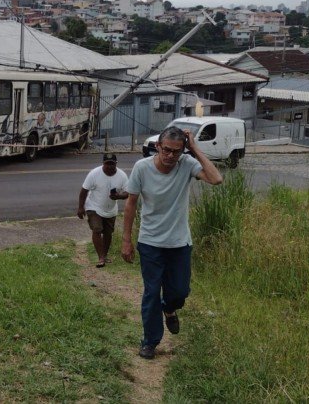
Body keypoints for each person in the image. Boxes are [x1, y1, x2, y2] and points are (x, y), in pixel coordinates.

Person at [122, 126, 222, 360]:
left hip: (179, 243)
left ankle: (170, 308)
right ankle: (150, 341)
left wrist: (195, 149)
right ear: (158, 146)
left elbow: (216, 179)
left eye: (176, 152)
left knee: (179, 292)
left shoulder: (187, 164)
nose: (170, 156)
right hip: (150, 242)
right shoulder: (142, 168)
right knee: (151, 293)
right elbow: (130, 204)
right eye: (166, 150)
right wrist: (126, 240)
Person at [77, 152, 129, 268]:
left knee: (108, 233)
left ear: (116, 164)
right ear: (103, 164)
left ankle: (104, 255)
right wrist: (81, 208)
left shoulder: (122, 175)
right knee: (97, 229)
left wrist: (118, 196)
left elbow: (127, 193)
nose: (110, 166)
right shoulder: (94, 174)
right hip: (94, 206)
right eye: (107, 164)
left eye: (112, 164)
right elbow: (84, 191)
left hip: (110, 209)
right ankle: (100, 257)